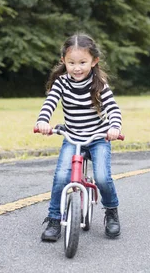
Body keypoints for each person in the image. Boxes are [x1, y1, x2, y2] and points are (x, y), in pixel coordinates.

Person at [34, 33, 122, 241]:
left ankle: (111, 212)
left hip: (99, 137)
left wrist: (114, 127)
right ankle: (54, 219)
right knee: (62, 177)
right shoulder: (61, 83)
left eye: (83, 62)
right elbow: (50, 104)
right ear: (63, 61)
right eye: (72, 62)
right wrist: (43, 122)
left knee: (101, 176)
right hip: (72, 137)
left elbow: (114, 110)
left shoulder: (99, 84)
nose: (77, 68)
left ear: (94, 61)